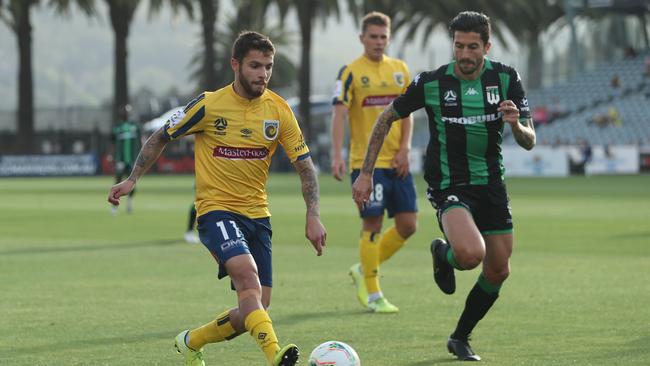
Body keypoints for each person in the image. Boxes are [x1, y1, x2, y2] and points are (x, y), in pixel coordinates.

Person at [108, 31, 327, 366]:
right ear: (235, 65)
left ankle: (190, 341)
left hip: (258, 216)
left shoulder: (279, 110)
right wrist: (133, 178)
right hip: (216, 212)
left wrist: (313, 214)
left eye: (268, 67)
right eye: (255, 66)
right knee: (246, 276)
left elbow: (305, 166)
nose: (263, 74)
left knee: (255, 307)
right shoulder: (209, 104)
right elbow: (160, 136)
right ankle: (276, 355)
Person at [352, 11, 536, 361]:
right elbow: (387, 117)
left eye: (472, 47)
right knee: (470, 254)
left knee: (499, 269)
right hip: (449, 184)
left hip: (491, 183)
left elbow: (529, 140)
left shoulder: (506, 77)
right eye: (458, 46)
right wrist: (365, 173)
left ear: (487, 46)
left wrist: (515, 126)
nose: (465, 55)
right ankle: (446, 253)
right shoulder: (432, 82)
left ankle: (460, 337)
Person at [330, 11, 417, 313]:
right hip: (365, 163)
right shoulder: (351, 72)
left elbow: (408, 114)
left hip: (397, 160)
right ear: (362, 38)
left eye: (383, 37)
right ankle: (374, 292)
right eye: (373, 37)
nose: (379, 42)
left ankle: (363, 268)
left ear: (388, 38)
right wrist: (336, 154)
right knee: (373, 222)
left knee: (408, 225)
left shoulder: (400, 70)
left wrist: (405, 149)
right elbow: (339, 114)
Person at [110, 104, 141, 215]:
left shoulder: (135, 126)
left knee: (132, 181)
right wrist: (112, 156)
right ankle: (114, 205)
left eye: (128, 112)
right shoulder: (117, 127)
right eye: (124, 112)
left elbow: (141, 141)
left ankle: (130, 202)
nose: (126, 114)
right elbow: (112, 142)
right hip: (120, 159)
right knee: (118, 181)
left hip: (132, 159)